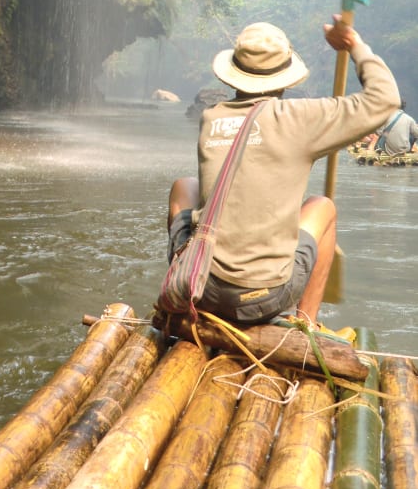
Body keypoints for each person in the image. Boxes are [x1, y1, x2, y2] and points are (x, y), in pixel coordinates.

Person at [166, 18, 400, 330]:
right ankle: (306, 324)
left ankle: (182, 290)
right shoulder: (299, 119)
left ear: (234, 75)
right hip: (262, 299)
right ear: (285, 79)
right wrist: (353, 43)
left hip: (201, 286)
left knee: (184, 187)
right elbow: (385, 100)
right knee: (323, 207)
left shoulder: (211, 118)